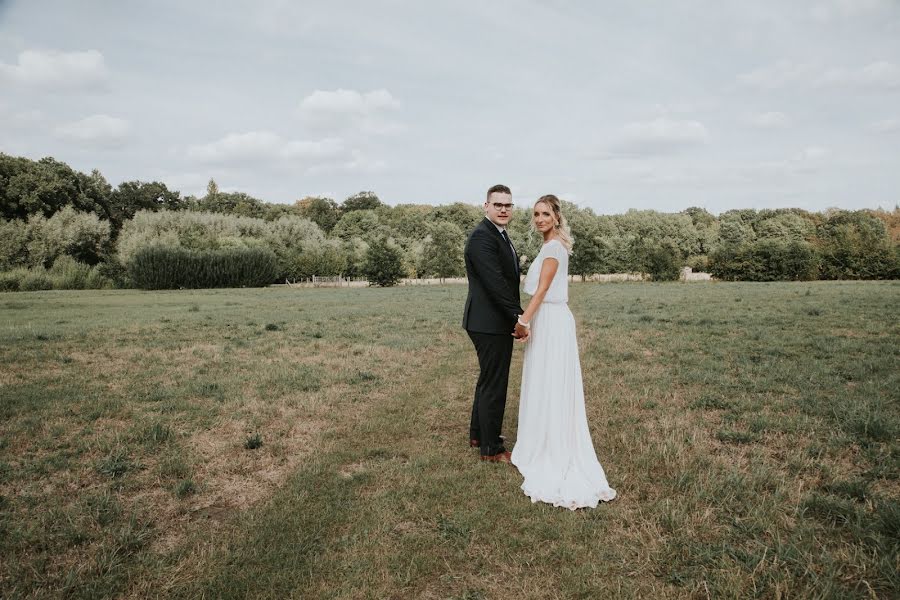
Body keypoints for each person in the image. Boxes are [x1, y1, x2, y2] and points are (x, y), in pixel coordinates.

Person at [511, 194, 617, 509]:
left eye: (545, 214)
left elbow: (542, 290)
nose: (540, 219)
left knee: (552, 380)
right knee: (545, 379)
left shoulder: (554, 247)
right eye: (535, 214)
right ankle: (541, 437)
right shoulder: (551, 246)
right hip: (550, 319)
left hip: (552, 321)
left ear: (556, 217)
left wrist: (523, 321)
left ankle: (553, 446)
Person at [462, 184, 530, 463]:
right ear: (486, 206)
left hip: (490, 320)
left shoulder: (499, 234)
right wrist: (520, 318)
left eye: (508, 205)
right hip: (489, 322)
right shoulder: (482, 237)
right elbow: (497, 285)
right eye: (498, 205)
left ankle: (479, 433)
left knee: (488, 379)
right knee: (495, 383)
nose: (503, 210)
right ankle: (491, 448)